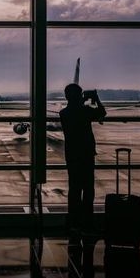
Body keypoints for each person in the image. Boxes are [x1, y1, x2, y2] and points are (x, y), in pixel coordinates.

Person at [60, 83, 106, 235]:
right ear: (79, 96)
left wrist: (82, 100)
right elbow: (102, 112)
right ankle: (87, 222)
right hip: (86, 154)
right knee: (88, 190)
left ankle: (74, 222)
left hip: (72, 155)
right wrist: (95, 98)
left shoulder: (64, 113)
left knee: (74, 189)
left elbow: (74, 110)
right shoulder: (85, 111)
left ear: (66, 96)